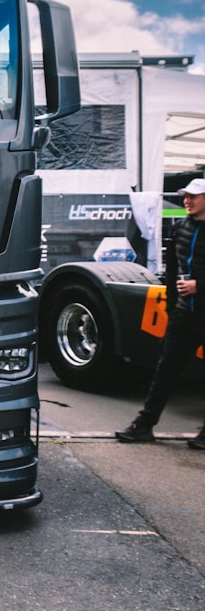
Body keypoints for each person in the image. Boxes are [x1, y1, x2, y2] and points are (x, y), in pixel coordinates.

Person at [116, 179, 205, 446]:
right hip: (183, 315)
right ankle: (143, 425)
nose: (187, 201)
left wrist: (199, 286)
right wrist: (171, 308)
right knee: (165, 369)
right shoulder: (180, 227)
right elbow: (172, 274)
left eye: (194, 196)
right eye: (185, 196)